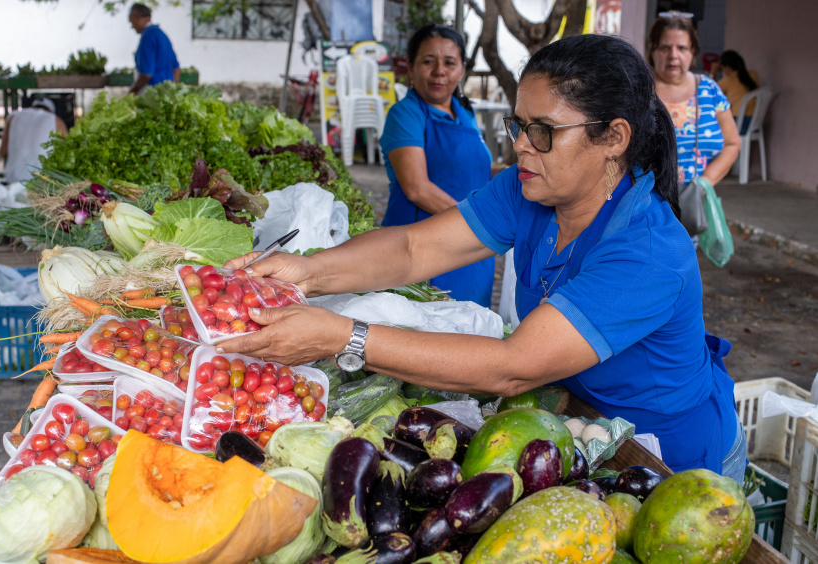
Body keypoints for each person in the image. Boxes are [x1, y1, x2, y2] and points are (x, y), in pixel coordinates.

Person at [218, 34, 746, 482]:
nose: (521, 146)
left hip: (669, 456)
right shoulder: (531, 188)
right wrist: (309, 271)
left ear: (613, 138)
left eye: (543, 131)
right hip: (579, 423)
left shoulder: (649, 252)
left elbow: (513, 368)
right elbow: (413, 248)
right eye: (518, 126)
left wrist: (343, 336)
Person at [378, 24, 495, 307]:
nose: (439, 71)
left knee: (469, 332)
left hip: (472, 251)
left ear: (462, 69)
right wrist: (480, 225)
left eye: (449, 62)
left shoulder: (466, 112)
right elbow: (417, 188)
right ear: (411, 67)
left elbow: (473, 171)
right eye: (428, 61)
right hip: (421, 248)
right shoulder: (405, 114)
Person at [648, 14, 740, 189]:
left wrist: (705, 182)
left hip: (695, 203)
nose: (673, 55)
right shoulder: (638, 92)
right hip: (647, 206)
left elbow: (732, 143)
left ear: (693, 52)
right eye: (665, 48)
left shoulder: (709, 90)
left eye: (682, 48)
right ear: (652, 50)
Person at [0, 98, 68, 184]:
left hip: (13, 180)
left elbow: (3, 152)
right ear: (51, 111)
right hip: (42, 184)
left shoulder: (12, 116)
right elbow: (66, 158)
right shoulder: (57, 121)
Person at [128, 3, 180, 95]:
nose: (132, 27)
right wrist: (172, 92)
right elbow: (176, 69)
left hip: (152, 94)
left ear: (136, 17)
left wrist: (133, 90)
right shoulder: (162, 34)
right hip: (166, 93)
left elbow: (146, 74)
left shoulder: (148, 36)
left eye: (131, 22)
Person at [716, 50, 760, 135]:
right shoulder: (753, 75)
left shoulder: (727, 81)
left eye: (722, 68)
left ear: (728, 67)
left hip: (740, 123)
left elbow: (708, 92)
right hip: (756, 122)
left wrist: (713, 72)